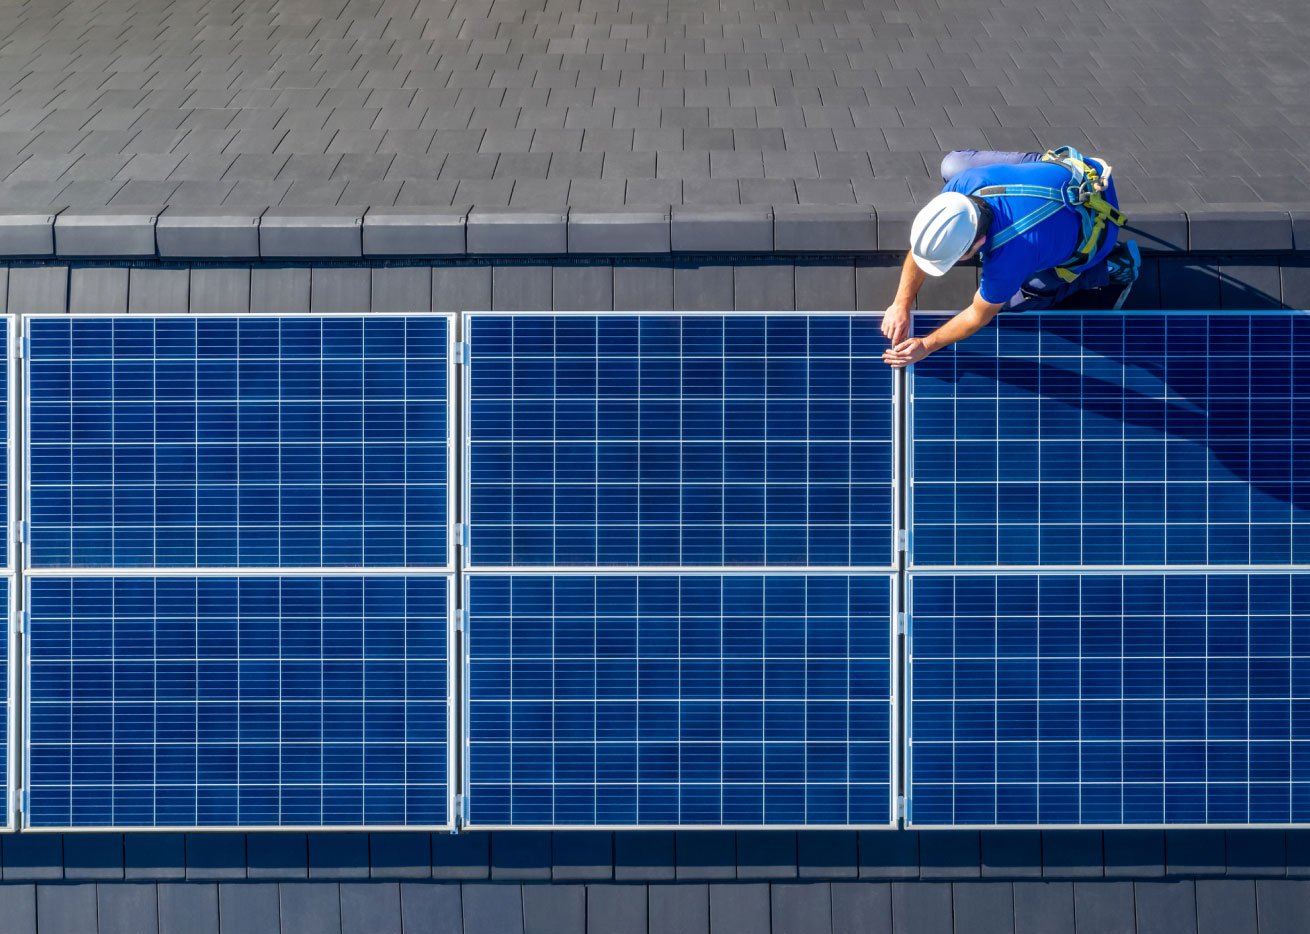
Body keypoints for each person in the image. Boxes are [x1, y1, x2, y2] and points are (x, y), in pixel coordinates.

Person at [881, 147, 1141, 369]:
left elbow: (977, 316)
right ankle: (1040, 173)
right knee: (952, 163)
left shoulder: (1009, 258)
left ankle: (1111, 267)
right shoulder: (961, 187)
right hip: (1078, 170)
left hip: (1099, 226)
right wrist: (899, 305)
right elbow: (923, 247)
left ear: (980, 243)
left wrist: (927, 344)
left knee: (1018, 301)